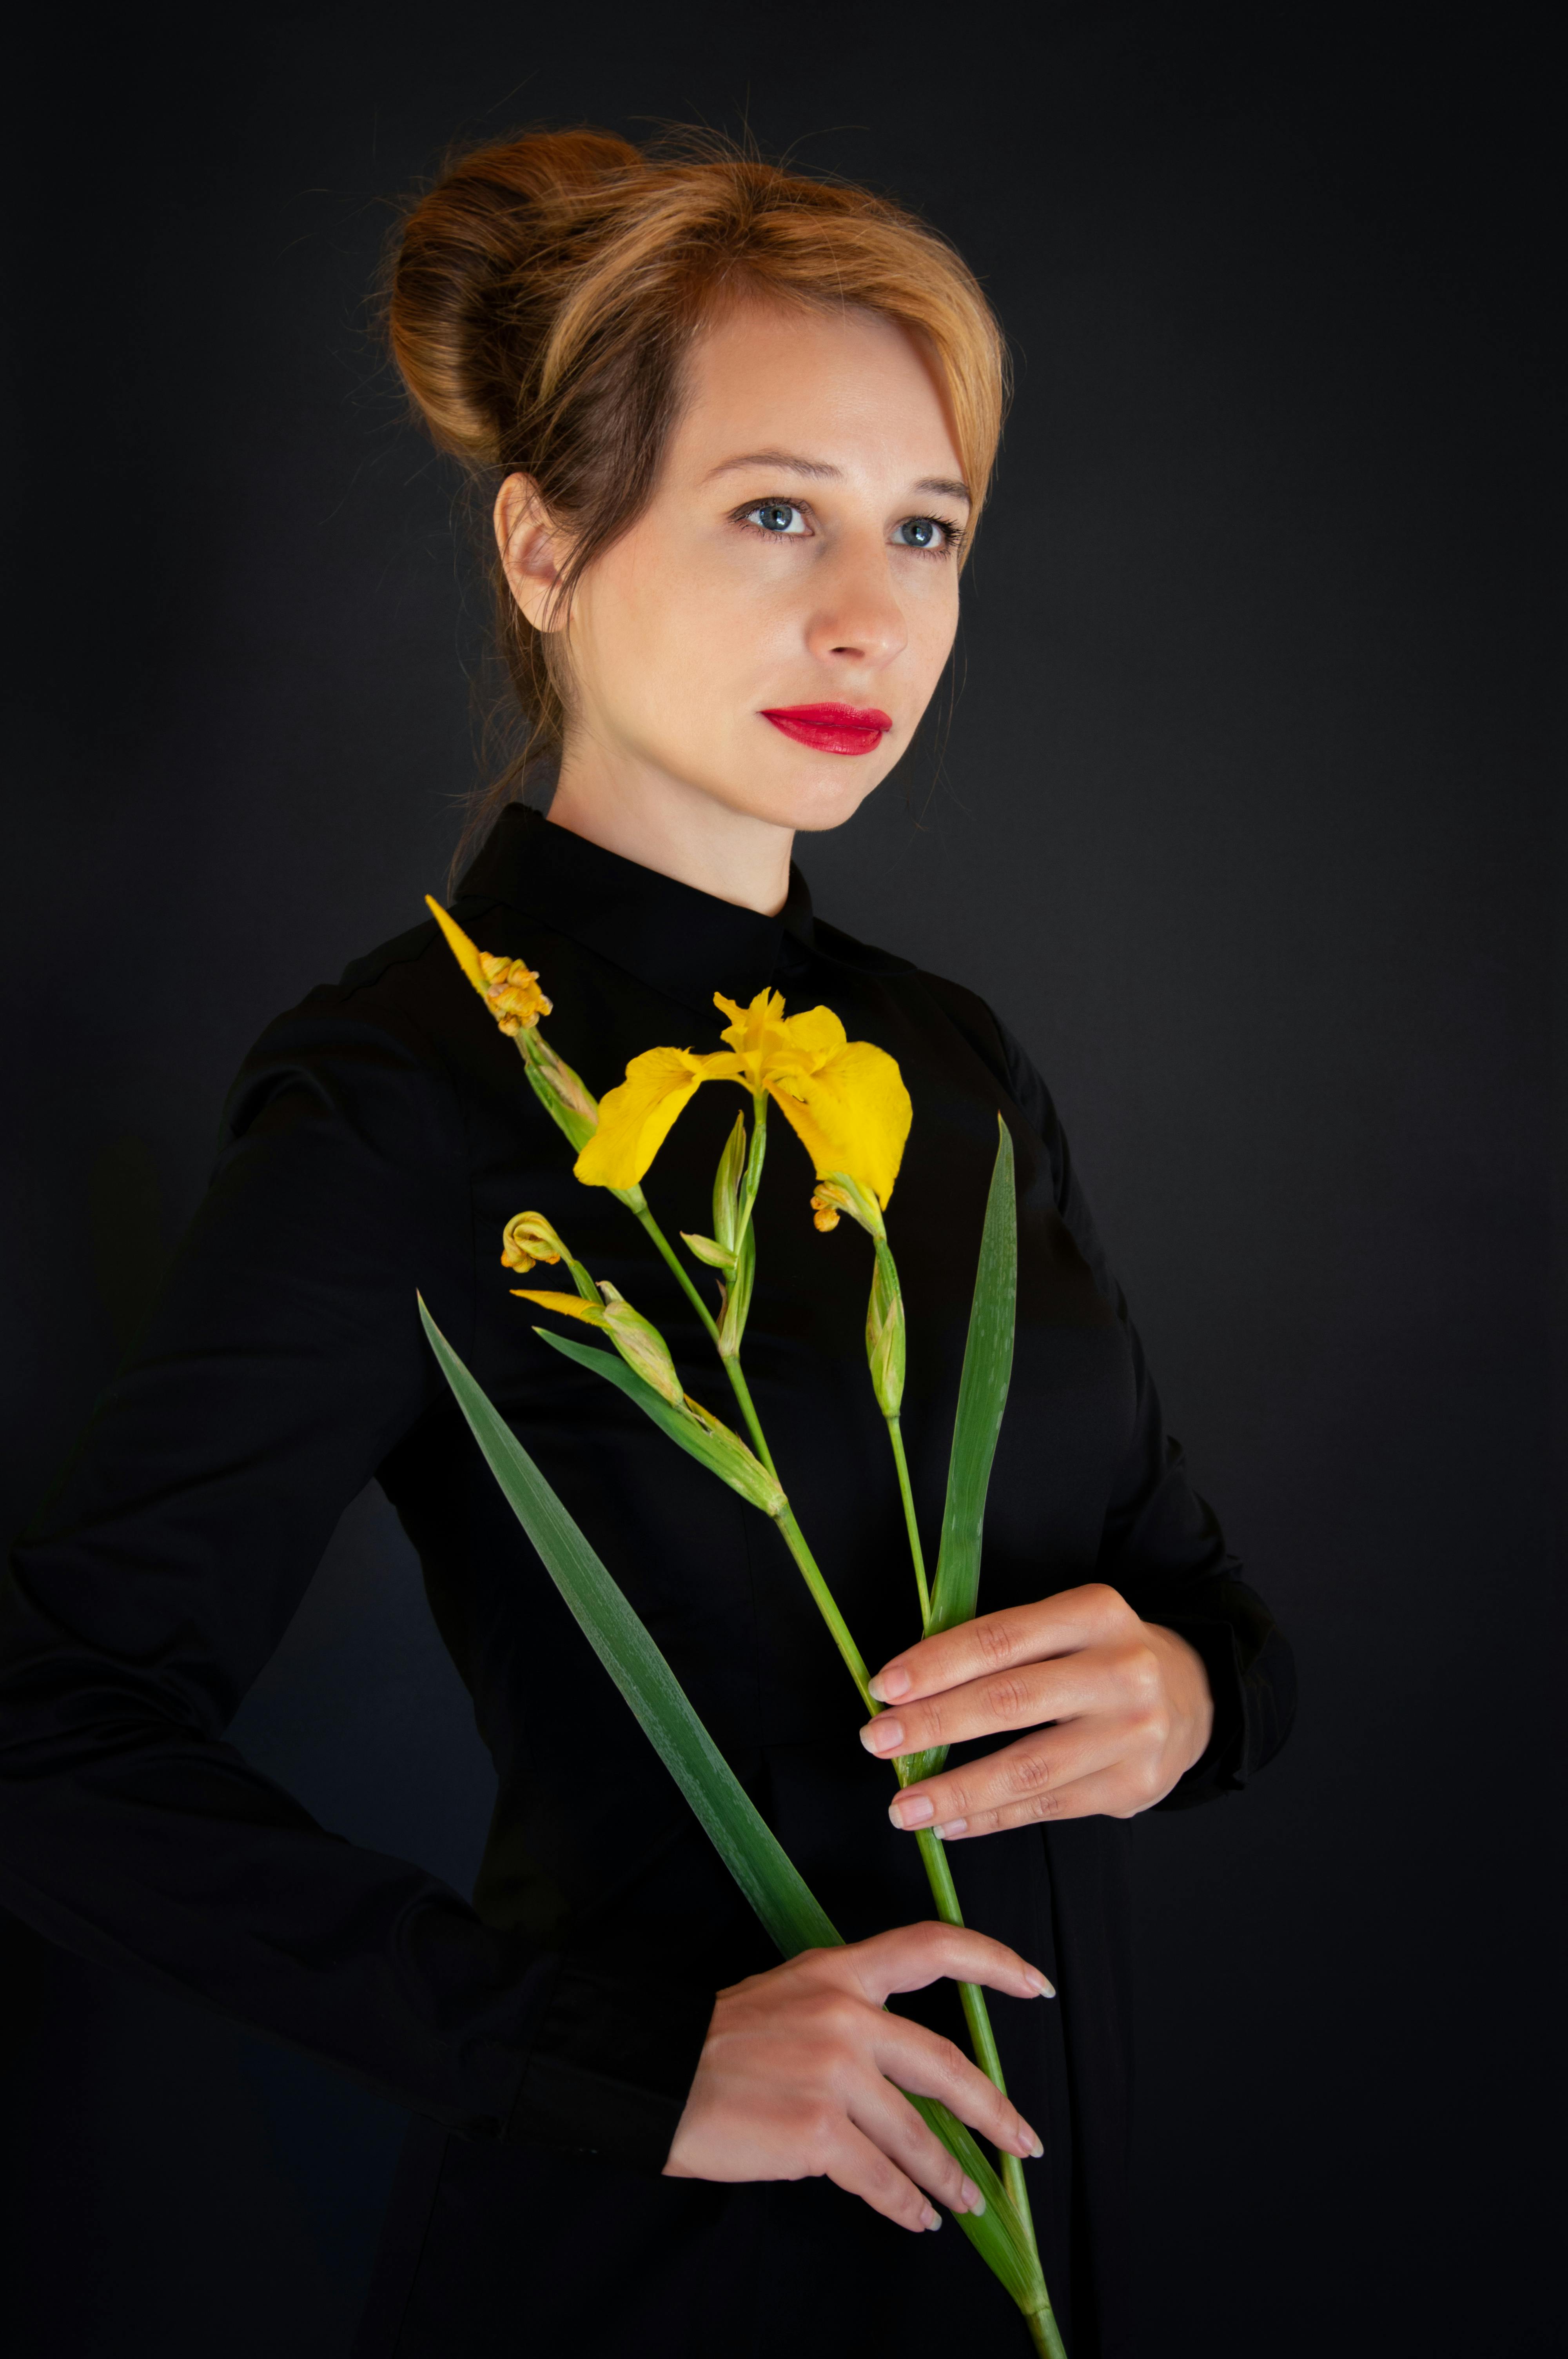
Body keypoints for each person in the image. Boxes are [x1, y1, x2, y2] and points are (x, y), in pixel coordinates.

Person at [0, 131, 1294, 2358]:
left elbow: (1190, 1592)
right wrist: (621, 2064)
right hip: (660, 2289)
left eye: (928, 531)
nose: (868, 615)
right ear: (546, 546)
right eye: (775, 510)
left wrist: (1192, 1698)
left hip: (1056, 2280)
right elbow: (50, 1730)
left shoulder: (945, 1063)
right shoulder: (404, 1087)